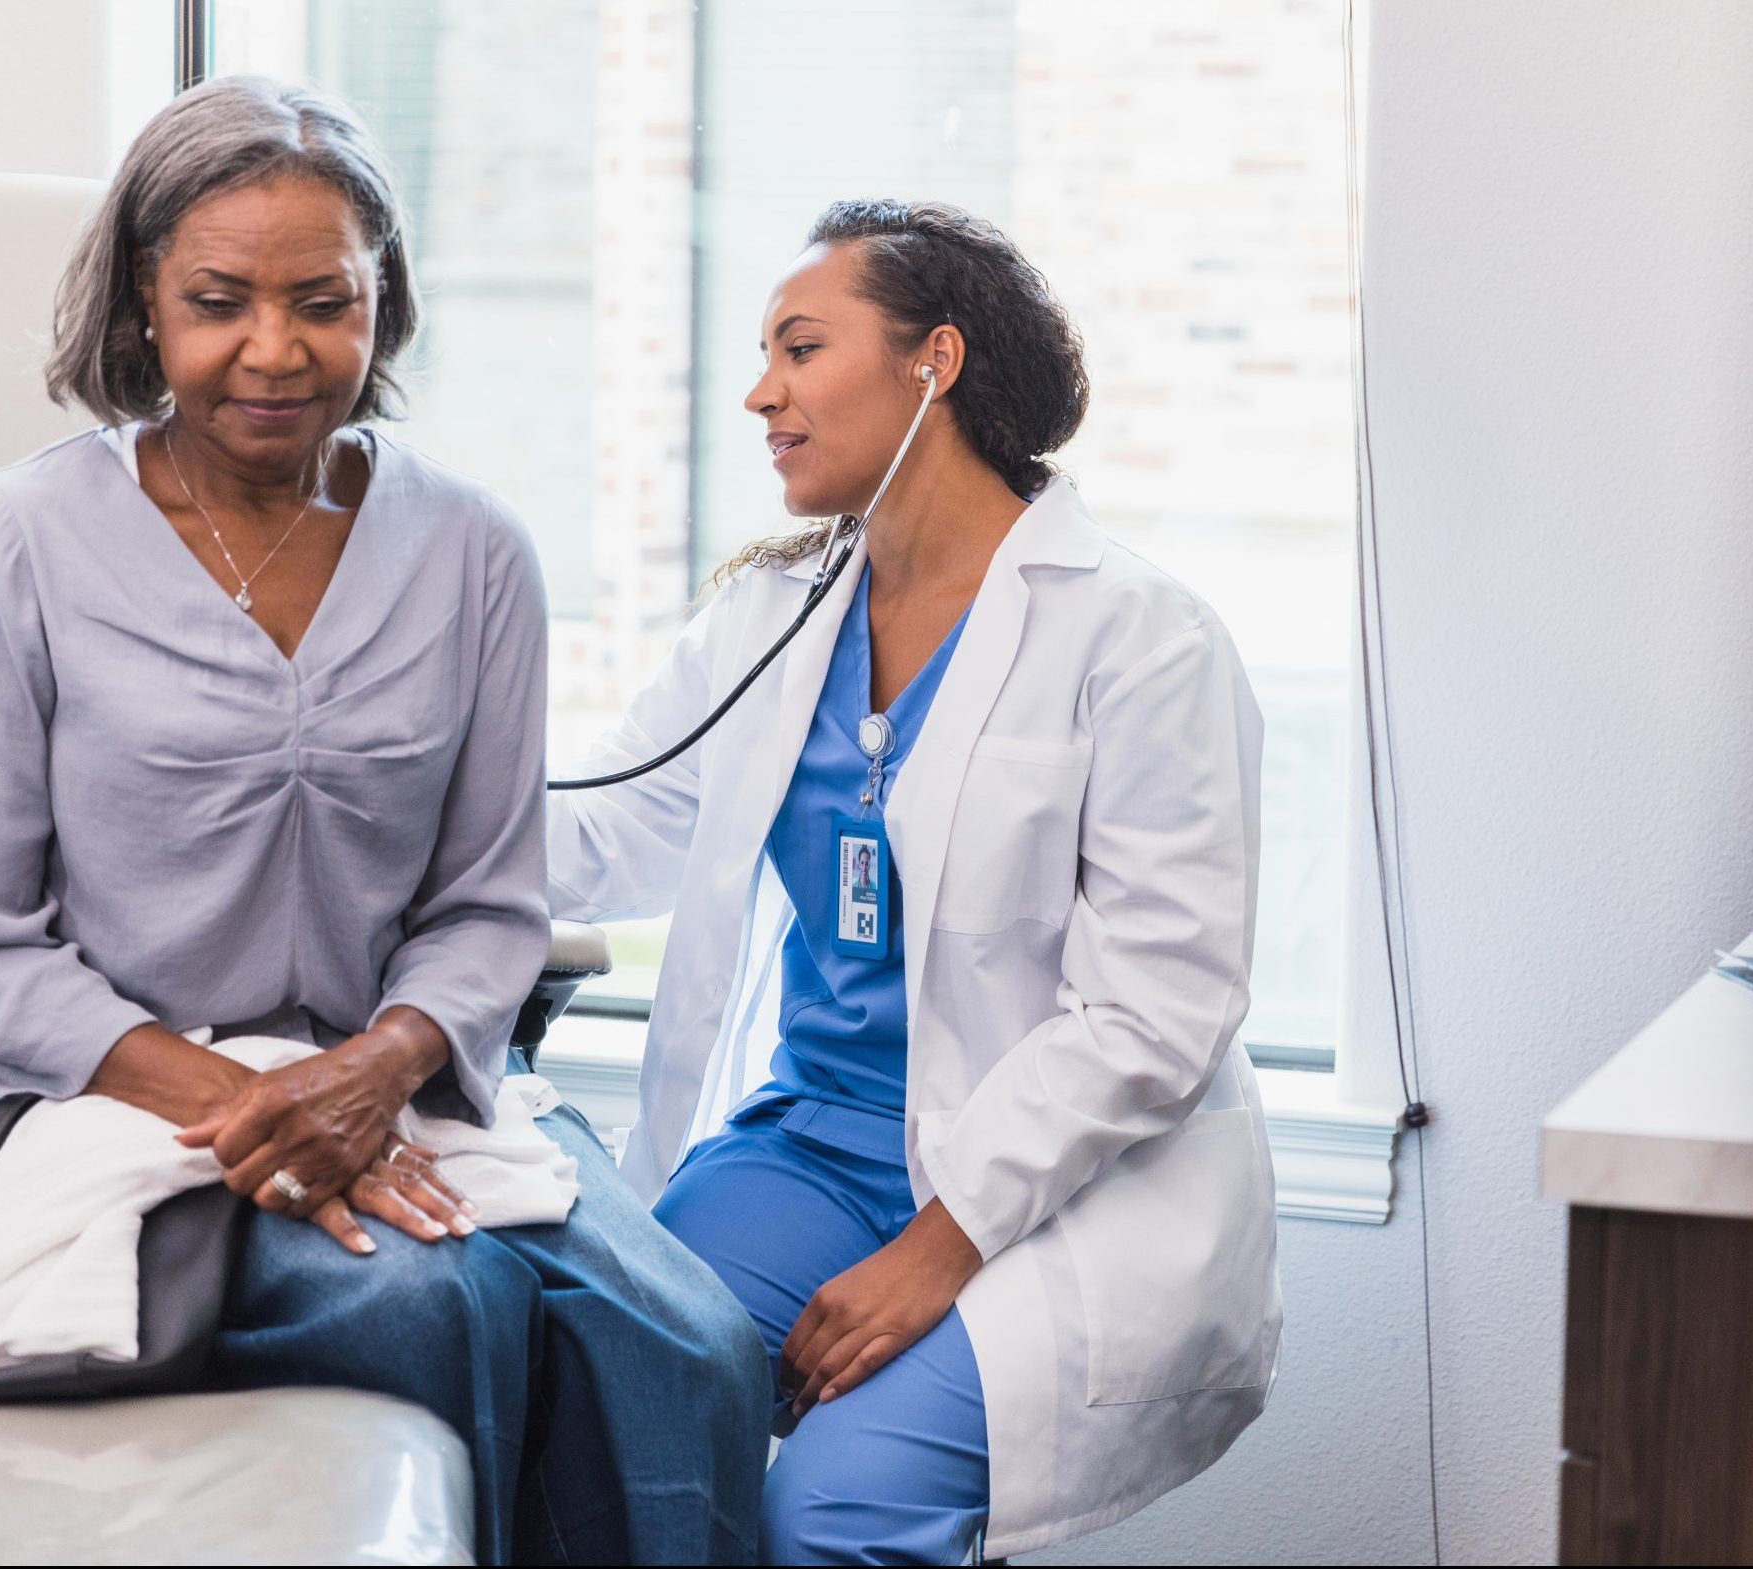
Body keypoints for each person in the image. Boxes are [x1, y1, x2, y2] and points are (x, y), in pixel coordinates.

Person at [0, 76, 765, 1566]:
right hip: (133, 1102)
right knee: (425, 1306)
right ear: (144, 307)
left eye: (325, 301)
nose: (276, 350)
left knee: (695, 1348)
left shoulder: (474, 550)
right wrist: (261, 1110)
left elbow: (491, 903)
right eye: (220, 300)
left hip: (409, 1083)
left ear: (385, 305)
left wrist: (371, 1074)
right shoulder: (18, 542)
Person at [548, 200, 1284, 1565]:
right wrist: (374, 795)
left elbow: (1159, 1013)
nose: (760, 391)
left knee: (830, 1509)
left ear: (932, 361)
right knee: (608, 1382)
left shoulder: (1140, 640)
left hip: (1064, 1189)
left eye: (801, 347)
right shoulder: (769, 620)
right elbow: (602, 827)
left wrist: (941, 1245)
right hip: (816, 1144)